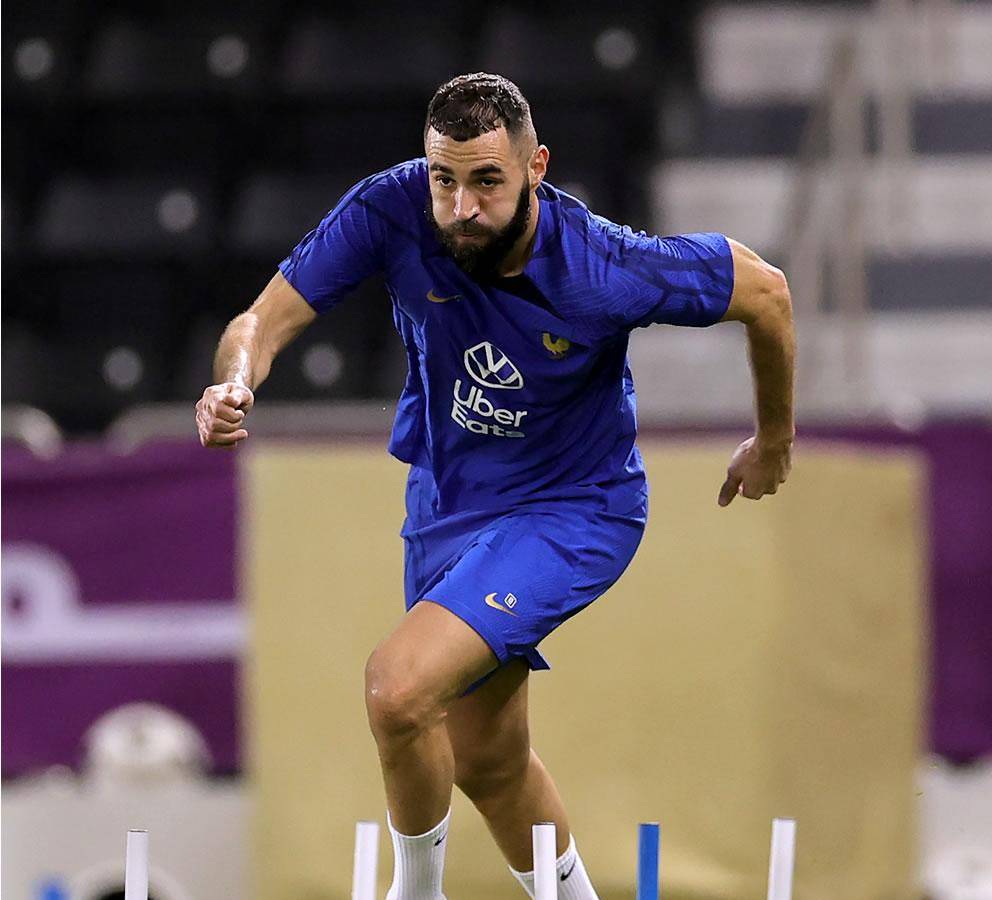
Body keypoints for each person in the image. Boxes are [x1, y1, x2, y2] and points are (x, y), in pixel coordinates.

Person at [195, 72, 794, 899]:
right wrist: (234, 382)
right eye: (445, 179)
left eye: (486, 181)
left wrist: (773, 437)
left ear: (535, 167)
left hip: (573, 509)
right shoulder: (391, 208)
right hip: (447, 501)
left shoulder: (602, 265)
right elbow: (260, 321)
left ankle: (416, 892)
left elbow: (767, 293)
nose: (461, 206)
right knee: (487, 759)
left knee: (397, 690)